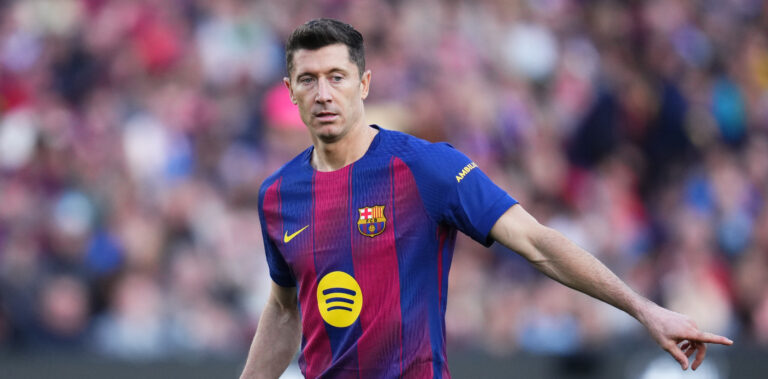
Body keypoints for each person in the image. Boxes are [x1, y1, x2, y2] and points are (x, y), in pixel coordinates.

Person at [240, 18, 733, 379]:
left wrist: (645, 310)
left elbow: (535, 242)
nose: (323, 93)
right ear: (290, 92)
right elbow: (285, 309)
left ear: (364, 84)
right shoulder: (278, 196)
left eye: (337, 76)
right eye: (308, 79)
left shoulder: (424, 167)